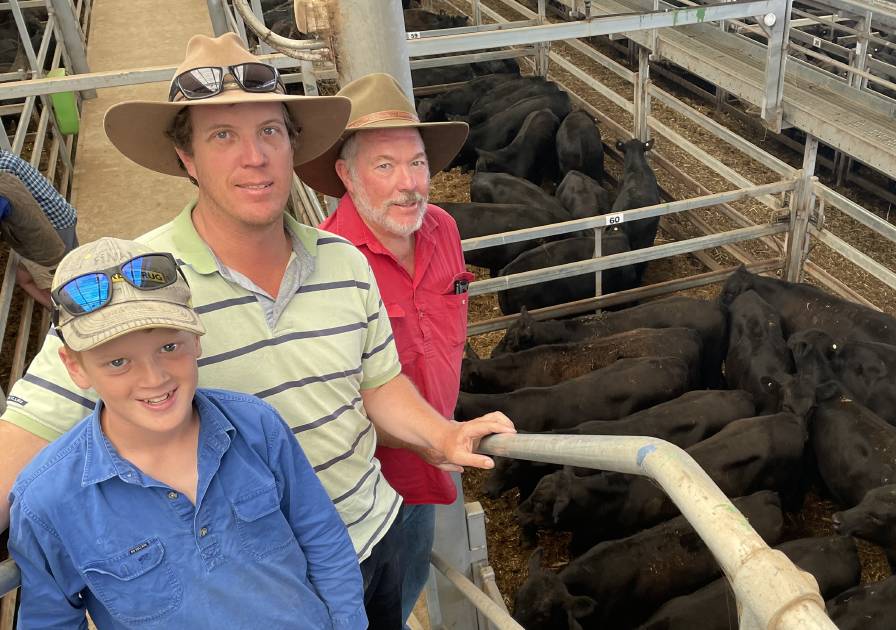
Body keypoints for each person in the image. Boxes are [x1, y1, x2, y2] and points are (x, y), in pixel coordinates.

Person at [0, 33, 514, 628]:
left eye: (270, 131)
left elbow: (378, 383)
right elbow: (26, 434)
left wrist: (442, 434)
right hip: (263, 585)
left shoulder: (345, 261)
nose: (255, 156)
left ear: (293, 147)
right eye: (224, 136)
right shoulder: (136, 285)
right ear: (186, 159)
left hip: (376, 528)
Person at [7, 237, 367, 629]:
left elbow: (322, 537)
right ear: (74, 367)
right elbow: (49, 621)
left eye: (168, 346)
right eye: (117, 361)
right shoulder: (46, 501)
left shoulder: (257, 427)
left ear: (196, 338)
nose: (154, 378)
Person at [296, 73, 471, 629]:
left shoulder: (443, 228)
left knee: (407, 583)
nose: (409, 184)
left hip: (430, 463)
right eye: (385, 166)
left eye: (417, 163)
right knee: (355, 605)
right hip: (359, 485)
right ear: (345, 176)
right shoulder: (324, 265)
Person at [0, 148, 80, 306]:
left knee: (60, 280)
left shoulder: (3, 173)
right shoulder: (4, 158)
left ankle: (69, 312)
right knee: (71, 265)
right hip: (62, 214)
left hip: (51, 228)